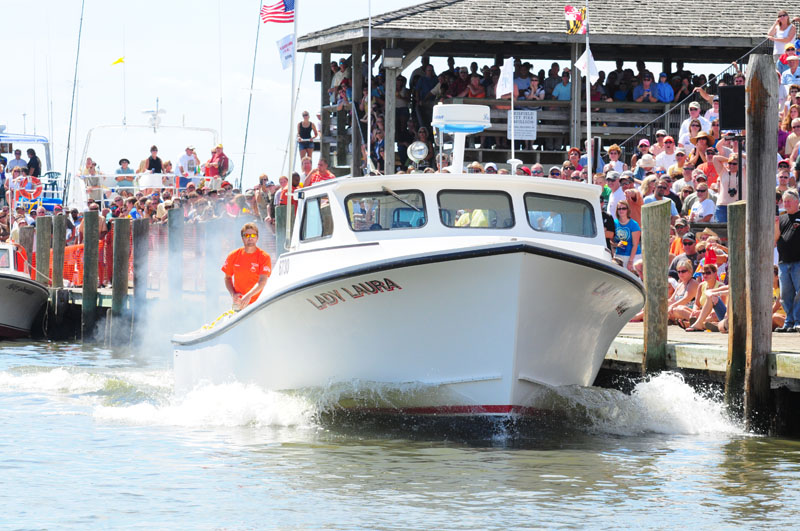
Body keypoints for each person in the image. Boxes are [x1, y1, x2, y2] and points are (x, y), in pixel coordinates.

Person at [222, 222, 271, 311]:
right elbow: (227, 278)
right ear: (242, 238)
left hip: (259, 304)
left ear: (257, 238)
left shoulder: (264, 257)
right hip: (239, 304)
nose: (250, 238)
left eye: (253, 235)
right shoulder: (233, 255)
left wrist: (248, 296)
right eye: (247, 235)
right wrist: (233, 294)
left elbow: (263, 281)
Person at [774, 189, 800, 332]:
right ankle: (789, 322)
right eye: (785, 201)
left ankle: (798, 321)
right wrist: (776, 223)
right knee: (785, 294)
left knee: (799, 292)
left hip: (798, 261)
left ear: (797, 201)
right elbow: (775, 239)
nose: (786, 203)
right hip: (784, 261)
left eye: (789, 201)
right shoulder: (782, 218)